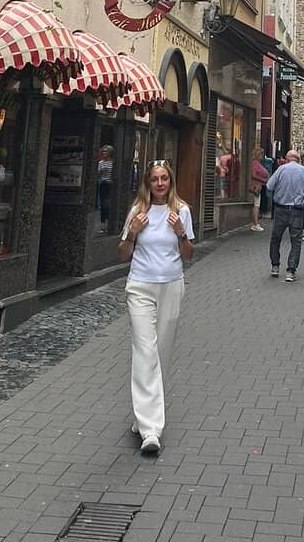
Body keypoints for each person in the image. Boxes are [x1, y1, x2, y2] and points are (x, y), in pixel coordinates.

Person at [117, 159, 194, 456]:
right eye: (154, 179)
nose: (160, 184)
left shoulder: (182, 211)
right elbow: (123, 254)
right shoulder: (137, 212)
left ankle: (142, 414)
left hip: (171, 285)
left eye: (164, 179)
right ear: (147, 183)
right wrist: (132, 232)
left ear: (170, 181)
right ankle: (151, 430)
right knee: (145, 350)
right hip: (140, 286)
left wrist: (180, 233)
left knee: (161, 353)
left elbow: (188, 253)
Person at [266, 149, 304, 281]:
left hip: (280, 209)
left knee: (276, 238)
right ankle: (291, 271)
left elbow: (269, 186)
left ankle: (275, 266)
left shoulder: (281, 170)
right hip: (297, 211)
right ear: (298, 159)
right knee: (296, 241)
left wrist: (277, 193)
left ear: (287, 159)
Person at [249, 147, 269, 232]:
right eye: (261, 154)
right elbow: (253, 175)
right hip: (256, 186)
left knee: (257, 204)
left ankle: (255, 223)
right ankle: (255, 224)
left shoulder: (258, 163)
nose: (262, 156)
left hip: (260, 186)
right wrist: (264, 180)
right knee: (256, 205)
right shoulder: (255, 163)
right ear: (258, 155)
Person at [96, 144, 114, 222]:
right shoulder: (100, 163)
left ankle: (109, 218)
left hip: (110, 184)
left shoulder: (113, 163)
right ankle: (103, 219)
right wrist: (101, 171)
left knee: (109, 201)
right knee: (103, 202)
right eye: (103, 151)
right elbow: (97, 174)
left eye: (106, 151)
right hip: (103, 183)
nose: (104, 153)